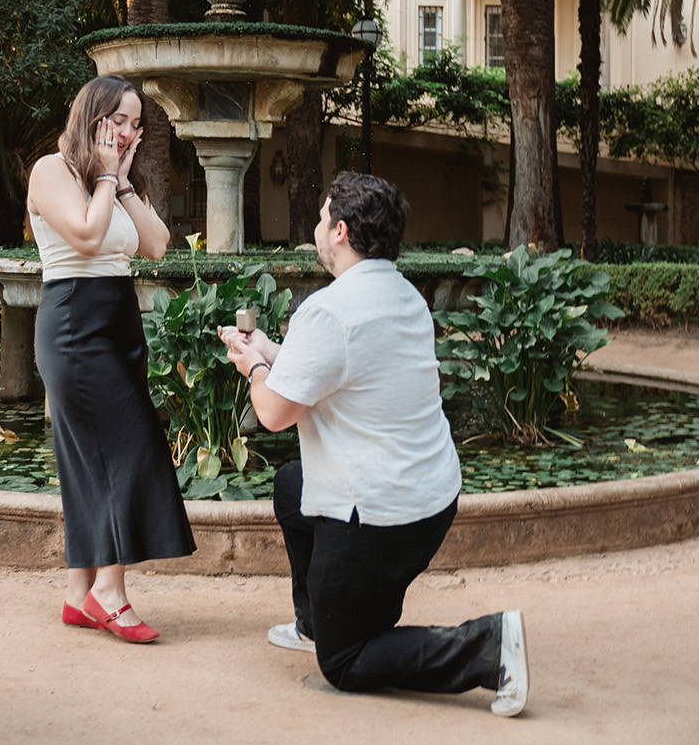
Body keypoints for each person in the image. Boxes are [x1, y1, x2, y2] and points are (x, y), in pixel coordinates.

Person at [218, 172, 530, 716]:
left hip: (380, 517)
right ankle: (316, 621)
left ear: (339, 232)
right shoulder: (403, 293)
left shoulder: (329, 309)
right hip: (431, 498)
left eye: (320, 218)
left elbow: (271, 414)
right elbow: (338, 363)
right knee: (292, 486)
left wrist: (256, 366)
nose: (315, 228)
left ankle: (487, 646)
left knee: (345, 661)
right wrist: (273, 350)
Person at [28, 75, 195, 643]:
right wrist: (103, 175)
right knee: (133, 448)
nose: (126, 132)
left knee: (88, 459)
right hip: (75, 324)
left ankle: (79, 594)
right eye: (116, 121)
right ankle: (109, 591)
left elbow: (156, 245)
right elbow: (83, 235)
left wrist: (122, 183)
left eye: (133, 124)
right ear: (91, 117)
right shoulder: (53, 170)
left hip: (118, 324)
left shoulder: (118, 180)